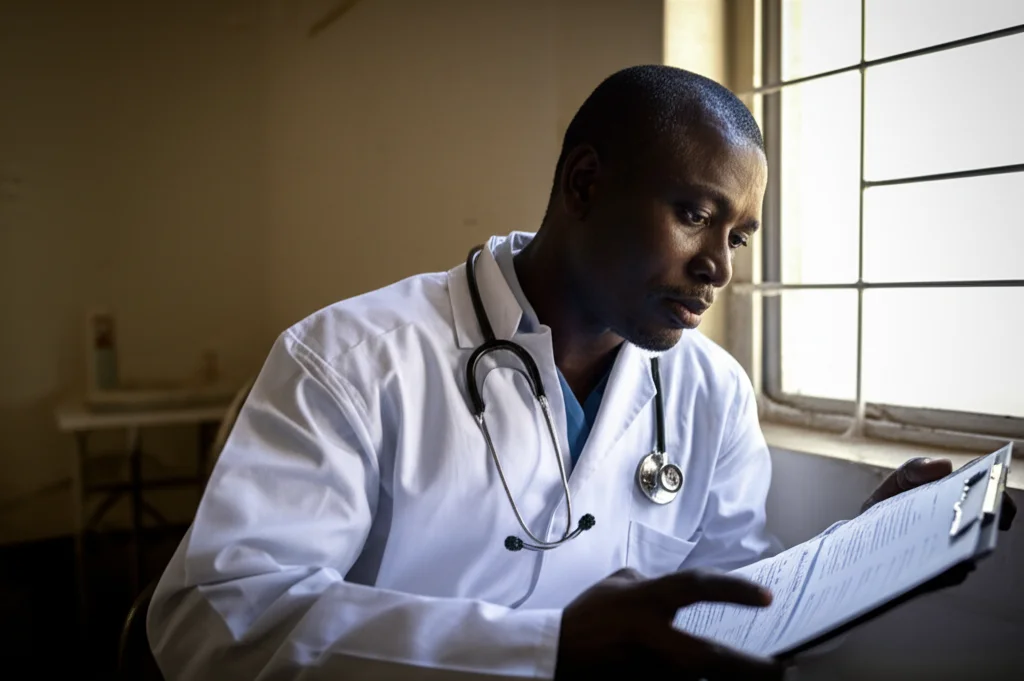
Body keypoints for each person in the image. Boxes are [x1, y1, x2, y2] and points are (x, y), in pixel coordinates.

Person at [146, 65, 1009, 680]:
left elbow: (731, 612)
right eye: (694, 214)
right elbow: (217, 626)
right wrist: (546, 648)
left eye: (737, 236)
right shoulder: (350, 358)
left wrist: (864, 553)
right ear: (586, 183)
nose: (720, 266)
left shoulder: (711, 392)